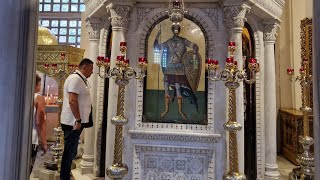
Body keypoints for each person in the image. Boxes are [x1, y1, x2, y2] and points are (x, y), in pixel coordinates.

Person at [154, 24, 200, 120]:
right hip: (169, 67)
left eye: (177, 29)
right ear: (172, 30)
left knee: (178, 88)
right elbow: (157, 47)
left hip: (179, 67)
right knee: (166, 87)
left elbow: (195, 46)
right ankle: (166, 110)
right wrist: (157, 37)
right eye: (174, 29)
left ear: (178, 30)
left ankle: (180, 111)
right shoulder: (168, 42)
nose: (176, 31)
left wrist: (195, 53)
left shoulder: (184, 41)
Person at [60, 58, 93, 180]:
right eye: (91, 69)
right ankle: (64, 177)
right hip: (72, 122)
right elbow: (72, 100)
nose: (92, 71)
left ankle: (65, 175)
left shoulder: (79, 79)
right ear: (84, 67)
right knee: (69, 152)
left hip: (74, 122)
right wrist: (78, 120)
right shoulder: (76, 79)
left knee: (71, 152)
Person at [30, 74, 48, 174]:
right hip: (31, 139)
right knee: (27, 168)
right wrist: (44, 142)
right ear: (35, 84)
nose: (40, 86)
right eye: (39, 84)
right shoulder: (38, 98)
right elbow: (39, 122)